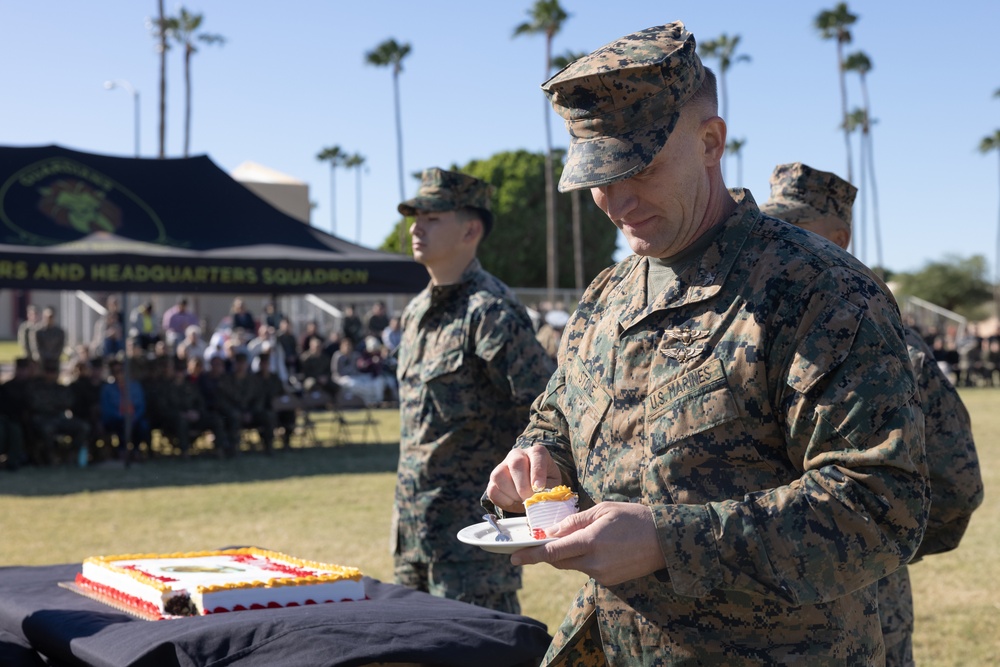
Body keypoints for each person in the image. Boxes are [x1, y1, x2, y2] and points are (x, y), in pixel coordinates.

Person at [485, 23, 928, 665]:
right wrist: (534, 459)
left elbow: (882, 506)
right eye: (599, 178)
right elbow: (557, 416)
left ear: (711, 142)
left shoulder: (818, 290)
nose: (616, 200)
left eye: (640, 169)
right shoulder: (607, 296)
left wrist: (670, 541)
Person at [759, 162, 985, 667]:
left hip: (862, 608)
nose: (778, 240)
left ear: (840, 238)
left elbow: (956, 483)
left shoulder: (892, 341)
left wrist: (878, 541)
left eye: (796, 227)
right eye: (773, 225)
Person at [393, 167, 555, 613]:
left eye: (433, 216)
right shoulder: (415, 314)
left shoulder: (490, 312)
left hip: (472, 541)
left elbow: (549, 407)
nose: (416, 226)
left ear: (471, 229)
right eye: (415, 215)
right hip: (413, 531)